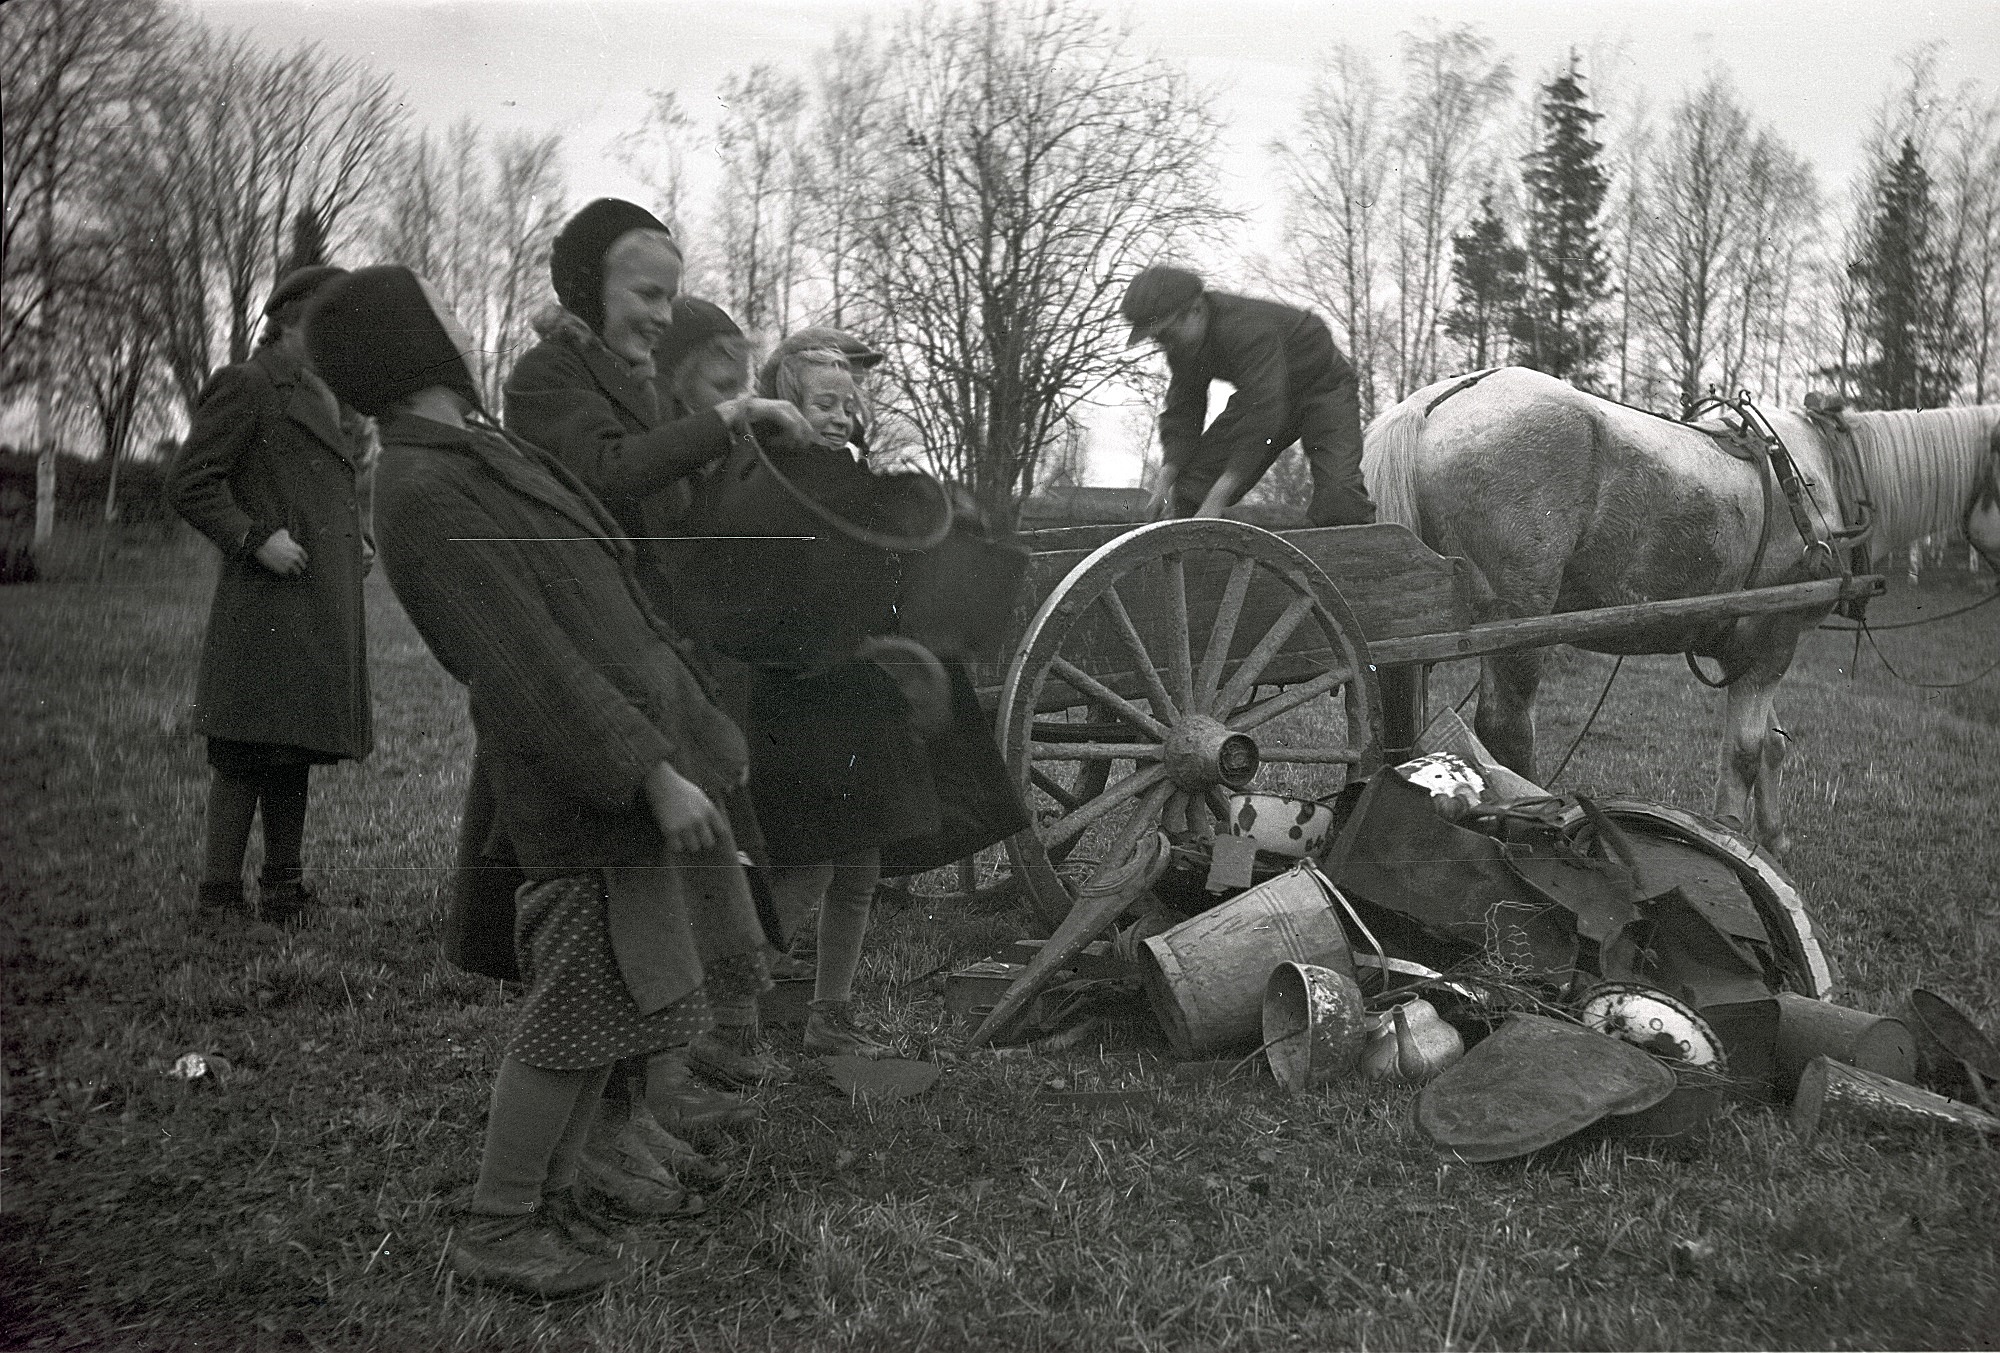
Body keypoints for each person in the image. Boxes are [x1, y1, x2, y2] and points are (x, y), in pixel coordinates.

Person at [305, 263, 775, 1298]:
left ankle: (557, 1198)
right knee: (569, 1023)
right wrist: (651, 774)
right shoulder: (419, 486)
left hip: (628, 763)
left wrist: (690, 731)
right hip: (578, 789)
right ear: (415, 349)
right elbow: (528, 665)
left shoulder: (471, 449)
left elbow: (601, 593)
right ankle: (498, 1224)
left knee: (609, 1009)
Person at [501, 200, 813, 1210]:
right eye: (646, 292)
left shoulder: (633, 386)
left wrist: (744, 456)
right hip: (587, 676)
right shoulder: (546, 379)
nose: (660, 313)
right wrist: (719, 420)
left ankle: (638, 1115)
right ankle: (595, 1143)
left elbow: (669, 511)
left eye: (670, 294)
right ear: (588, 284)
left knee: (657, 909)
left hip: (647, 670)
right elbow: (608, 474)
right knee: (607, 920)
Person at [742, 346, 950, 1059]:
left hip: (861, 693)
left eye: (847, 402)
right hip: (811, 693)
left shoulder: (855, 474)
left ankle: (829, 1011)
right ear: (786, 406)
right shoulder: (782, 479)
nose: (839, 416)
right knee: (809, 864)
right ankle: (727, 1015)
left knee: (859, 864)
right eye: (822, 403)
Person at [168, 264, 373, 932]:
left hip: (311, 601)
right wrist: (254, 537)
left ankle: (283, 889)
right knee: (244, 751)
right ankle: (217, 897)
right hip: (264, 601)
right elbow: (192, 481)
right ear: (287, 319)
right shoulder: (248, 384)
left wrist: (358, 537)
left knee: (294, 747)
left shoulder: (320, 395)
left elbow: (321, 487)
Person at [1121, 264, 1376, 528]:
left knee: (1340, 495)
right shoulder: (1181, 345)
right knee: (1192, 487)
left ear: (1196, 310)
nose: (1164, 345)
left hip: (1323, 389)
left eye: (1166, 333)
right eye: (1157, 339)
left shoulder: (1246, 328)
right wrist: (1164, 483)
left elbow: (1265, 413)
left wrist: (1215, 502)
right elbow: (1183, 410)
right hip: (1263, 393)